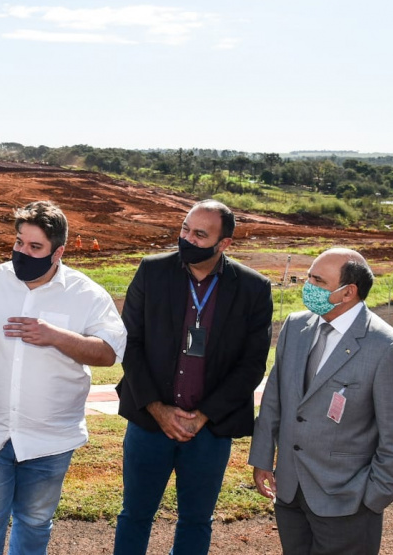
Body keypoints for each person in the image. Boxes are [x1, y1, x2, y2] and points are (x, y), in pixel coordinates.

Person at [0, 200, 127, 555]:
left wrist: (55, 335)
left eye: (35, 247)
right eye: (19, 243)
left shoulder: (86, 294)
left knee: (33, 525)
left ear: (58, 251)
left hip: (49, 441)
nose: (23, 252)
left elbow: (108, 352)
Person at [115, 199, 273, 554]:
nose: (187, 239)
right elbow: (131, 343)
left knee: (196, 521)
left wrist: (201, 415)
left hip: (209, 431)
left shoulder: (253, 288)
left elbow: (251, 365)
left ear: (224, 244)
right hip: (148, 423)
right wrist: (158, 408)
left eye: (200, 235)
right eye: (185, 229)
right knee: (135, 515)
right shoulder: (152, 271)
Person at [248, 248, 393, 555]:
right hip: (289, 493)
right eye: (308, 277)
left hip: (348, 504)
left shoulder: (388, 348)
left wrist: (371, 499)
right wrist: (262, 459)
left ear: (348, 292)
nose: (308, 286)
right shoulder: (295, 326)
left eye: (318, 281)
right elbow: (275, 397)